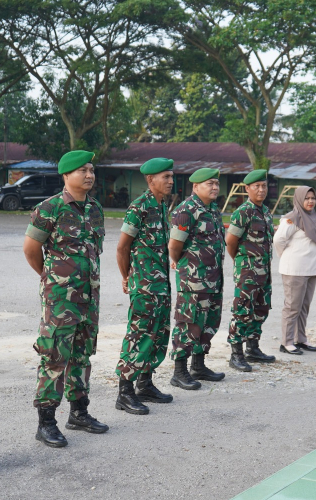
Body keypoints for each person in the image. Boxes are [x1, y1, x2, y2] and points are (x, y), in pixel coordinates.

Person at [23, 150, 108, 448]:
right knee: (55, 356)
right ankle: (46, 422)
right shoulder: (49, 208)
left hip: (89, 297)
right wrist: (51, 279)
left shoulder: (95, 208)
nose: (89, 175)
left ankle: (79, 412)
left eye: (91, 170)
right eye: (82, 170)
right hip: (61, 299)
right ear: (66, 175)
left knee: (82, 355)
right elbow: (31, 250)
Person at [114, 158, 176, 414]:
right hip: (145, 286)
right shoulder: (139, 207)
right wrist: (127, 276)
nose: (171, 181)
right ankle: (124, 392)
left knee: (159, 334)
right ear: (150, 180)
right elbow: (122, 247)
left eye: (172, 177)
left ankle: (145, 384)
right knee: (139, 335)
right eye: (165, 177)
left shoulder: (162, 206)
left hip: (161, 285)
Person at [167, 168, 226, 390]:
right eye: (210, 183)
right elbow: (174, 246)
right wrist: (182, 265)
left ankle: (198, 366)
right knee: (188, 323)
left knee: (209, 322)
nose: (214, 187)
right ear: (196, 186)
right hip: (193, 280)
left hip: (213, 279)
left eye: (216, 184)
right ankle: (179, 371)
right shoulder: (186, 210)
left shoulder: (212, 210)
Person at [225, 169, 276, 372]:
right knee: (242, 311)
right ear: (247, 189)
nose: (261, 190)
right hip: (248, 271)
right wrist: (242, 263)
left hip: (264, 271)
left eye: (264, 186)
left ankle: (252, 348)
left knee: (261, 309)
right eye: (257, 186)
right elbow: (231, 242)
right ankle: (236, 354)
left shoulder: (265, 211)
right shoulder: (243, 212)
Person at [273, 186, 316, 355]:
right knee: (292, 307)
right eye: (306, 198)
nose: (310, 201)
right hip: (295, 270)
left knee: (304, 306)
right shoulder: (291, 219)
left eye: (313, 198)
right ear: (298, 199)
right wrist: (287, 257)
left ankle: (301, 339)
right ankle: (286, 342)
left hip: (311, 269)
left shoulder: (312, 217)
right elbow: (279, 240)